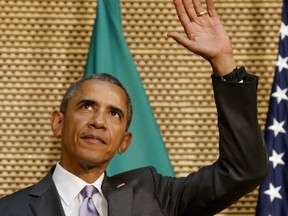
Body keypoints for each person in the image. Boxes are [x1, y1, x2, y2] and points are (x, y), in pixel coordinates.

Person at [0, 0, 268, 215]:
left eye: (114, 113)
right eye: (86, 106)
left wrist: (224, 63)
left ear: (124, 142)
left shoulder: (153, 194)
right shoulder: (10, 209)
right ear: (58, 122)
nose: (99, 121)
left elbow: (243, 171)